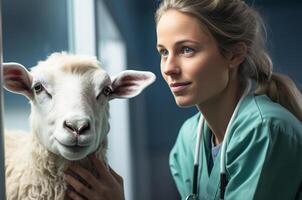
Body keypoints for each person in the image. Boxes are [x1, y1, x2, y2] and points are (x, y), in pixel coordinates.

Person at [65, 0, 302, 199]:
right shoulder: (188, 143)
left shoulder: (265, 131)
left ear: (234, 54)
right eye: (163, 52)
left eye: (187, 50)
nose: (168, 68)